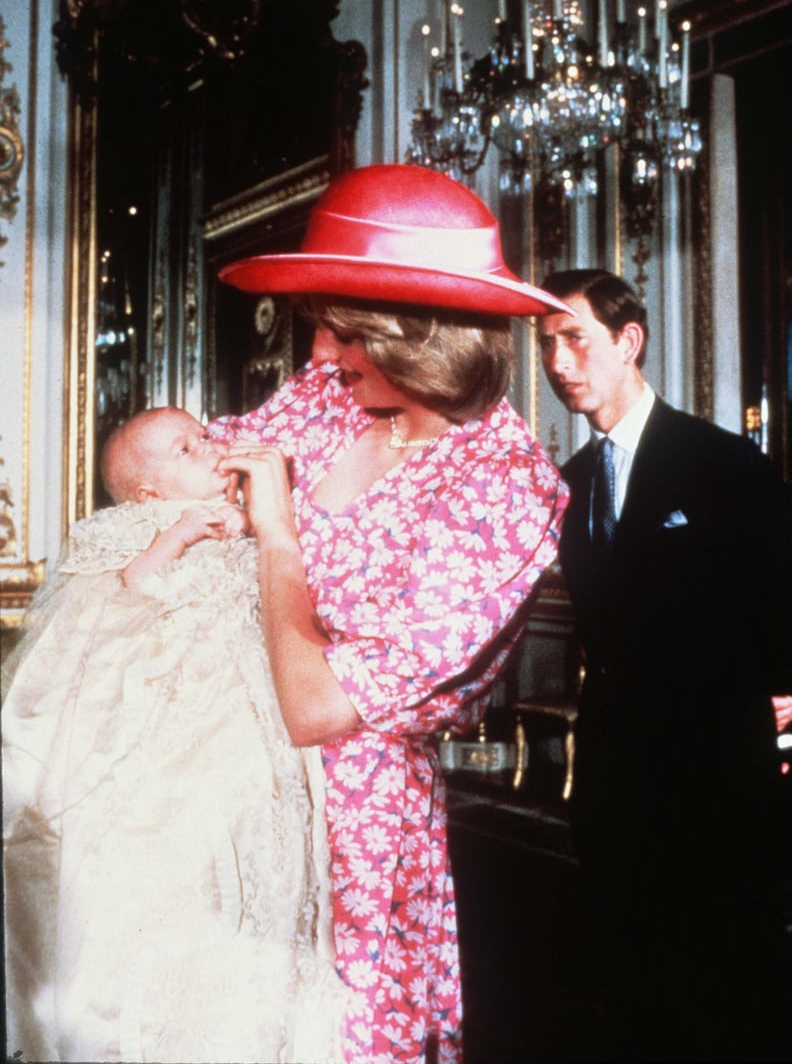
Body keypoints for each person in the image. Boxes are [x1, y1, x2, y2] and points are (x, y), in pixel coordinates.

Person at [209, 162, 572, 1064]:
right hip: (220, 785)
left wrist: (278, 535)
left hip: (357, 836)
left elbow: (319, 710)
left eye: (341, 331)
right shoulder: (326, 401)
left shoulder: (506, 490)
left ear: (417, 334)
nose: (321, 355)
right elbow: (194, 479)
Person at [2, 406, 347, 1064]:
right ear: (149, 493)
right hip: (174, 714)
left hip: (255, 714)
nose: (211, 448)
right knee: (173, 867)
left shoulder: (251, 516)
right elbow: (127, 591)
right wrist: (180, 534)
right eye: (186, 449)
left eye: (206, 435)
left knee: (258, 864)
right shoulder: (139, 529)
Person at [537, 268, 792, 1063]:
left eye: (574, 339)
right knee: (635, 1001)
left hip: (719, 787)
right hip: (617, 791)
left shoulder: (721, 463)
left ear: (629, 341)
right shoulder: (568, 486)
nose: (556, 362)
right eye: (546, 345)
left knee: (726, 1001)